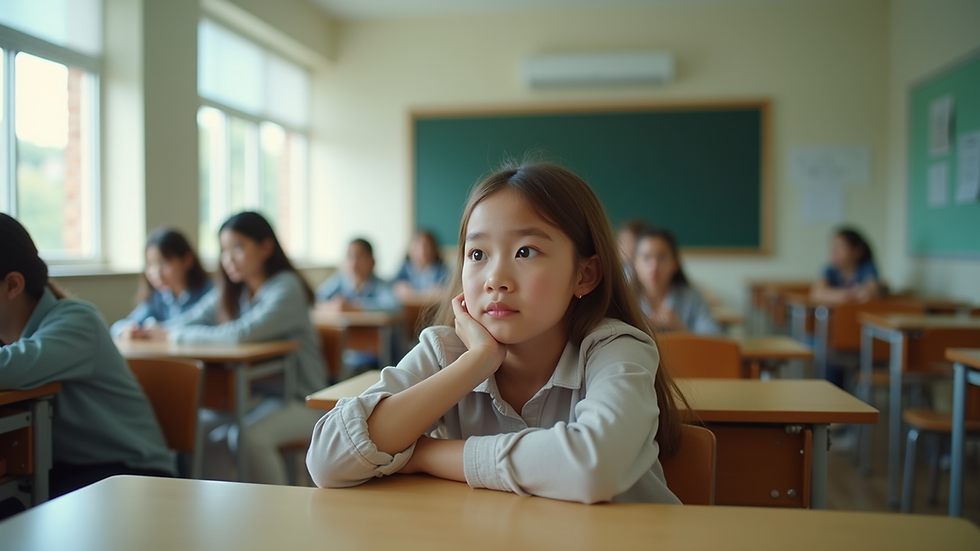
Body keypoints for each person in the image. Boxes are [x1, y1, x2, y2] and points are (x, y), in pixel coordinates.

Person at [306, 163, 686, 505]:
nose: (495, 280)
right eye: (477, 254)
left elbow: (591, 466)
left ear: (584, 275)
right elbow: (327, 460)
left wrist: (425, 454)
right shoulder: (447, 351)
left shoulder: (616, 349)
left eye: (525, 252)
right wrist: (477, 361)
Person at [128, 212, 325, 485]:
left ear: (266, 247)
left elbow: (240, 335)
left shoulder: (285, 287)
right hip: (257, 397)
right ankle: (221, 516)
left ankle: (279, 515)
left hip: (301, 399)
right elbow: (186, 321)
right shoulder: (233, 290)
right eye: (223, 250)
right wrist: (148, 331)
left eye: (238, 248)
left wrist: (173, 335)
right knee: (204, 430)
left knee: (248, 439)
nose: (228, 258)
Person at [0, 214, 173, 515]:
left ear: (12, 285)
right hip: (67, 469)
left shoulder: (77, 320)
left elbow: (13, 366)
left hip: (130, 473)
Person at [110, 227, 212, 337]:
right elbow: (120, 326)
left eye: (164, 263)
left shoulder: (210, 294)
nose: (156, 273)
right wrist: (127, 330)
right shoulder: (157, 298)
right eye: (150, 264)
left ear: (187, 260)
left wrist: (160, 330)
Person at [633, 228, 720, 335]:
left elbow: (714, 340)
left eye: (662, 257)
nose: (653, 266)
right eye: (646, 257)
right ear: (635, 263)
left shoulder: (692, 298)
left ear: (675, 263)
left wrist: (680, 328)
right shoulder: (624, 297)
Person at [316, 238, 400, 312]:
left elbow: (392, 306)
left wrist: (354, 307)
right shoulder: (339, 280)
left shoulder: (380, 285)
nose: (354, 263)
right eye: (349, 256)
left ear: (372, 261)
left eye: (359, 257)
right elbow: (315, 299)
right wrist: (332, 306)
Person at [810, 227, 882, 303]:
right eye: (833, 246)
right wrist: (844, 295)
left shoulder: (867, 268)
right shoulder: (830, 269)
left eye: (840, 247)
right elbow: (816, 293)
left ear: (857, 252)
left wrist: (831, 294)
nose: (834, 251)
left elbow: (871, 292)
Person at [393, 230, 449, 303]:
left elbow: (442, 293)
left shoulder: (442, 270)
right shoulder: (405, 268)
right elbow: (396, 288)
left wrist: (413, 295)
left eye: (426, 246)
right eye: (417, 246)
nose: (422, 251)